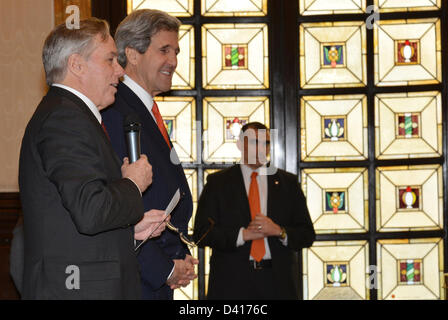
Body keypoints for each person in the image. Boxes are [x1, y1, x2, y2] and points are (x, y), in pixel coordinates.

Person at [18, 18, 168, 300]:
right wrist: (133, 183)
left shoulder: (72, 115)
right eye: (111, 59)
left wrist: (130, 230)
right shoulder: (65, 118)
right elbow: (91, 210)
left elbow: (75, 218)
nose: (120, 71)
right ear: (77, 65)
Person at [101, 9, 198, 300]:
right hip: (137, 281)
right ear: (132, 54)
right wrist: (164, 269)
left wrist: (180, 256)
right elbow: (123, 206)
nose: (174, 61)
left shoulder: (143, 109)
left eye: (176, 51)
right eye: (164, 50)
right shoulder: (115, 110)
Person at [193, 122, 316, 300]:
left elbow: (307, 234)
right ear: (240, 144)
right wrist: (242, 235)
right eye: (254, 142)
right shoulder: (218, 183)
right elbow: (201, 234)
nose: (260, 149)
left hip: (277, 283)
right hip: (231, 284)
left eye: (265, 143)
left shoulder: (288, 183)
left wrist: (279, 231)